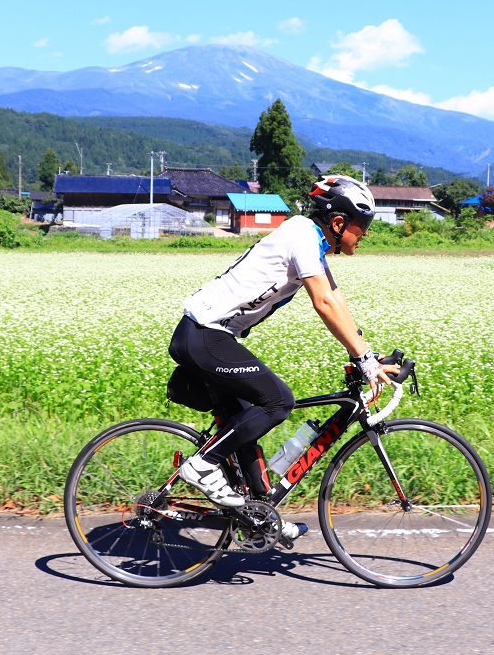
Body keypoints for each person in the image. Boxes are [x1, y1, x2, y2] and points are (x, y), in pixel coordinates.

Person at [166, 174, 393, 542]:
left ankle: (259, 515)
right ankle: (202, 466)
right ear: (338, 223)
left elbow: (335, 299)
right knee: (278, 401)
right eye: (361, 227)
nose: (363, 235)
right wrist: (363, 359)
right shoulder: (303, 235)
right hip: (205, 334)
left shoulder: (309, 240)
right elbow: (321, 302)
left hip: (211, 335)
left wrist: (369, 353)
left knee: (247, 420)